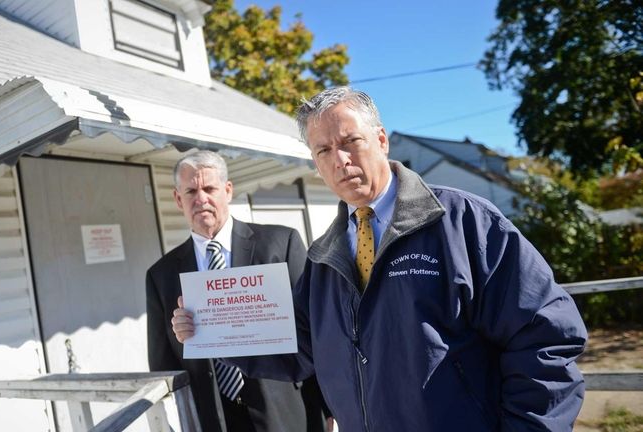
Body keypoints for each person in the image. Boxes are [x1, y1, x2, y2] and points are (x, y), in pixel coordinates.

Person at [171, 87, 588, 431]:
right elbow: (295, 349)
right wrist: (211, 332)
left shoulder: (462, 223)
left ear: (381, 140)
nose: (340, 160)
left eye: (350, 142)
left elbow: (545, 336)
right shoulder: (323, 259)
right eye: (323, 151)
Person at [146, 150, 328, 432]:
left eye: (209, 188)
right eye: (191, 190)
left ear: (227, 191)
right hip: (215, 420)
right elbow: (163, 367)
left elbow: (316, 332)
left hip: (287, 413)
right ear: (178, 199)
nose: (201, 198)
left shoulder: (281, 244)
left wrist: (328, 409)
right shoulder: (162, 275)